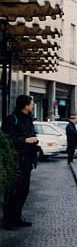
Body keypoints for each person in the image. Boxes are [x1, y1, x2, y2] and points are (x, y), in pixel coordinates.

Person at [1, 95, 39, 230]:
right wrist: (25, 140)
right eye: (31, 103)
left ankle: (17, 218)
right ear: (25, 105)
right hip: (15, 162)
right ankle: (8, 220)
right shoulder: (11, 119)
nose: (33, 105)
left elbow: (31, 135)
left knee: (23, 191)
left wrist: (34, 141)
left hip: (27, 161)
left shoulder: (29, 119)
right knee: (13, 192)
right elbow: (6, 139)